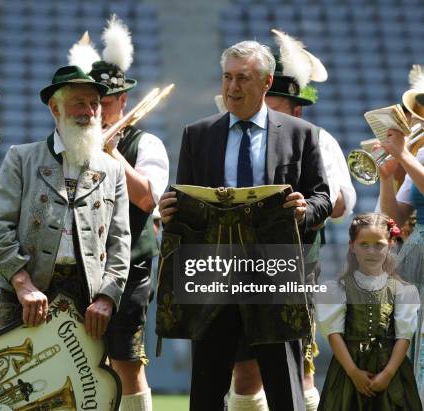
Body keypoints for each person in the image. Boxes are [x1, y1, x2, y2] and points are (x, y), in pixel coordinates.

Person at [159, 40, 332, 410]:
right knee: (206, 389)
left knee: (286, 389)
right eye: (227, 77)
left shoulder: (301, 134)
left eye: (243, 78)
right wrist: (171, 207)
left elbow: (323, 198)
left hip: (275, 270)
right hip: (212, 273)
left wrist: (305, 209)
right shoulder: (197, 134)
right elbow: (186, 202)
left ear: (267, 82)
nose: (232, 87)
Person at [228, 30, 357, 411]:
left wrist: (305, 205)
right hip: (237, 264)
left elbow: (339, 204)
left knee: (298, 365)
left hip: (293, 264)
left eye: (273, 102)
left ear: (296, 109)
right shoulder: (232, 135)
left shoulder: (317, 139)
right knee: (244, 368)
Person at [0, 65, 130, 342]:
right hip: (22, 296)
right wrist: (22, 283)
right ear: (54, 108)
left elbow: (120, 241)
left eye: (94, 103)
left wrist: (107, 297)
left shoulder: (114, 170)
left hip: (88, 302)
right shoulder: (21, 158)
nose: (89, 111)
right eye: (79, 103)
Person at [68, 15, 169, 410]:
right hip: (78, 266)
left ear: (123, 102)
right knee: (74, 361)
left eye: (105, 104)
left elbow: (148, 199)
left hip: (129, 266)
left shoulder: (148, 144)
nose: (96, 112)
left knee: (127, 362)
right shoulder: (71, 146)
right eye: (92, 104)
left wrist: (109, 153)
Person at [316, 212, 421, 410]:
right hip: (349, 370)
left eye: (379, 244)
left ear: (390, 245)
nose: (371, 251)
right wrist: (353, 372)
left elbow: (404, 336)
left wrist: (388, 373)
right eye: (363, 244)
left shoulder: (403, 290)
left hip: (391, 372)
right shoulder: (338, 289)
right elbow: (334, 334)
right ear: (352, 246)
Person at [378, 120, 424, 398]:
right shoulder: (421, 153)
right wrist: (386, 176)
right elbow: (395, 218)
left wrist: (403, 154)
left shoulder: (413, 155)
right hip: (415, 260)